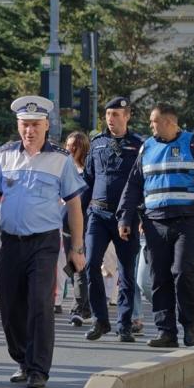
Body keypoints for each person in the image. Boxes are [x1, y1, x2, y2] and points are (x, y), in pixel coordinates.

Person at [0, 96, 86, 388]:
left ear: (46, 125)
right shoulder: (4, 155)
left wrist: (77, 248)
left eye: (36, 125)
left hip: (44, 243)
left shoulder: (60, 159)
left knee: (40, 303)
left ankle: (39, 369)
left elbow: (74, 206)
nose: (30, 131)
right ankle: (23, 360)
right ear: (18, 126)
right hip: (10, 242)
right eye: (25, 125)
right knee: (10, 307)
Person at [117, 104, 194, 348]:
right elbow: (133, 185)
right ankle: (166, 331)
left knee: (183, 272)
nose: (151, 126)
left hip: (187, 221)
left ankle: (189, 323)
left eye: (154, 121)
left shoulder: (193, 145)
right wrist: (124, 217)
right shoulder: (147, 147)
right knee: (159, 277)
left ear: (169, 122)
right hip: (154, 222)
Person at [82, 97, 144, 343]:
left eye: (116, 114)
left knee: (126, 272)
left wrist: (139, 216)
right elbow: (87, 180)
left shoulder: (138, 145)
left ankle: (125, 324)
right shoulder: (97, 143)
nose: (111, 118)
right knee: (91, 265)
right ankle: (100, 320)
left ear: (127, 116)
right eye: (108, 114)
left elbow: (142, 184)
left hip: (125, 216)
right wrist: (80, 215)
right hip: (97, 213)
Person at [61, 131, 91, 324]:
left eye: (75, 146)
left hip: (81, 225)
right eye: (69, 145)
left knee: (79, 267)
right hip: (63, 224)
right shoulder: (62, 168)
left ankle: (79, 308)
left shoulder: (86, 172)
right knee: (73, 269)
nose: (71, 149)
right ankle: (85, 306)